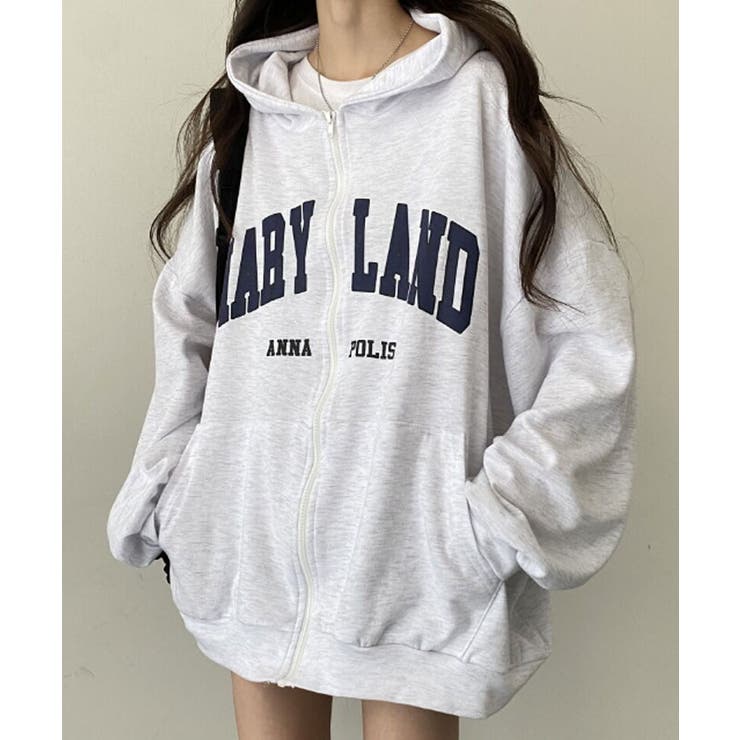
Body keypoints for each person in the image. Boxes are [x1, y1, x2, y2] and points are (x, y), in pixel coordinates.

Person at [106, 1, 638, 738]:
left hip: (415, 577)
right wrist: (181, 492)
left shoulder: (482, 107)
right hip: (252, 561)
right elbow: (188, 322)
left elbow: (592, 346)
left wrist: (491, 523)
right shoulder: (248, 117)